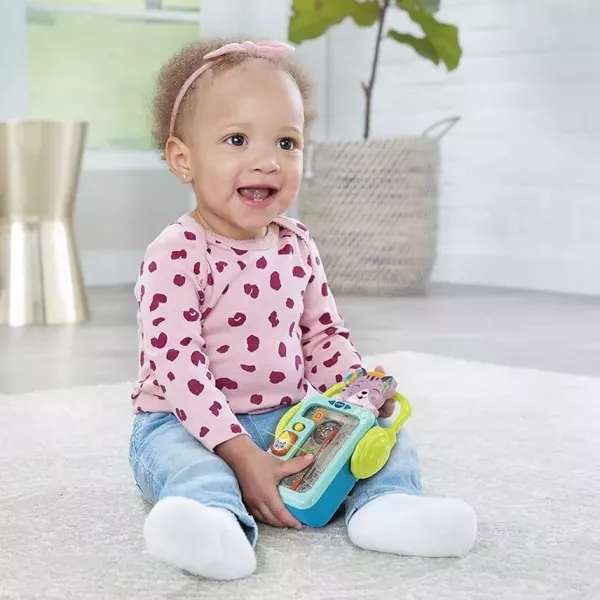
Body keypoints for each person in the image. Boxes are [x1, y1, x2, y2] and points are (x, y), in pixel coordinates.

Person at [128, 38, 477, 581]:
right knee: (193, 468)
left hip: (289, 416)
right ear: (183, 159)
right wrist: (239, 452)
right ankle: (210, 524)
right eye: (237, 139)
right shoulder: (176, 252)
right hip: (183, 422)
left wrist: (357, 393)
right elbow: (178, 367)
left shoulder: (297, 244)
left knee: (386, 443)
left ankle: (388, 507)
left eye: (287, 142)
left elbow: (322, 336)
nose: (267, 161)